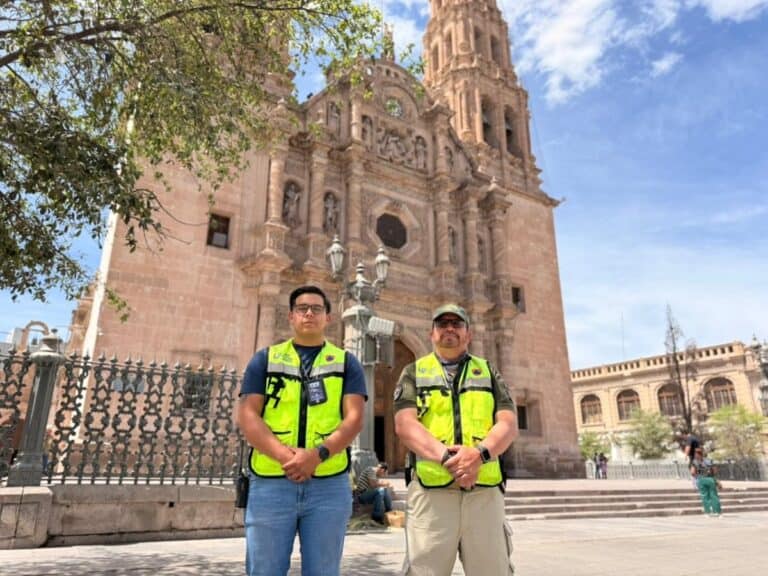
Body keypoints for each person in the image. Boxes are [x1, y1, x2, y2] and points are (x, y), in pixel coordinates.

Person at [236, 285, 367, 576]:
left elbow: (355, 419)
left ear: (328, 318)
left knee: (324, 571)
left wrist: (316, 456)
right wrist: (289, 458)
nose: (309, 313)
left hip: (328, 484)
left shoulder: (346, 363)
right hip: (271, 481)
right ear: (291, 316)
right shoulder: (265, 359)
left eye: (317, 309)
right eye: (302, 309)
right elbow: (247, 415)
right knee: (264, 570)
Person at [394, 304, 518, 576]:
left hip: (484, 493)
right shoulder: (413, 372)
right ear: (432, 334)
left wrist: (479, 455)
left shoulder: (489, 371)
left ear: (468, 334)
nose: (449, 328)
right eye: (442, 324)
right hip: (431, 493)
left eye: (457, 323)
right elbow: (405, 425)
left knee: (493, 571)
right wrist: (450, 459)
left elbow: (508, 424)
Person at [690, 447, 722, 517]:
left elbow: (692, 472)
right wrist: (714, 478)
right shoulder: (709, 461)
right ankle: (718, 512)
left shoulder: (695, 462)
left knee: (704, 496)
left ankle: (707, 512)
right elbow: (715, 470)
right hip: (710, 479)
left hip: (701, 479)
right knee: (714, 495)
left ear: (697, 454)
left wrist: (697, 476)